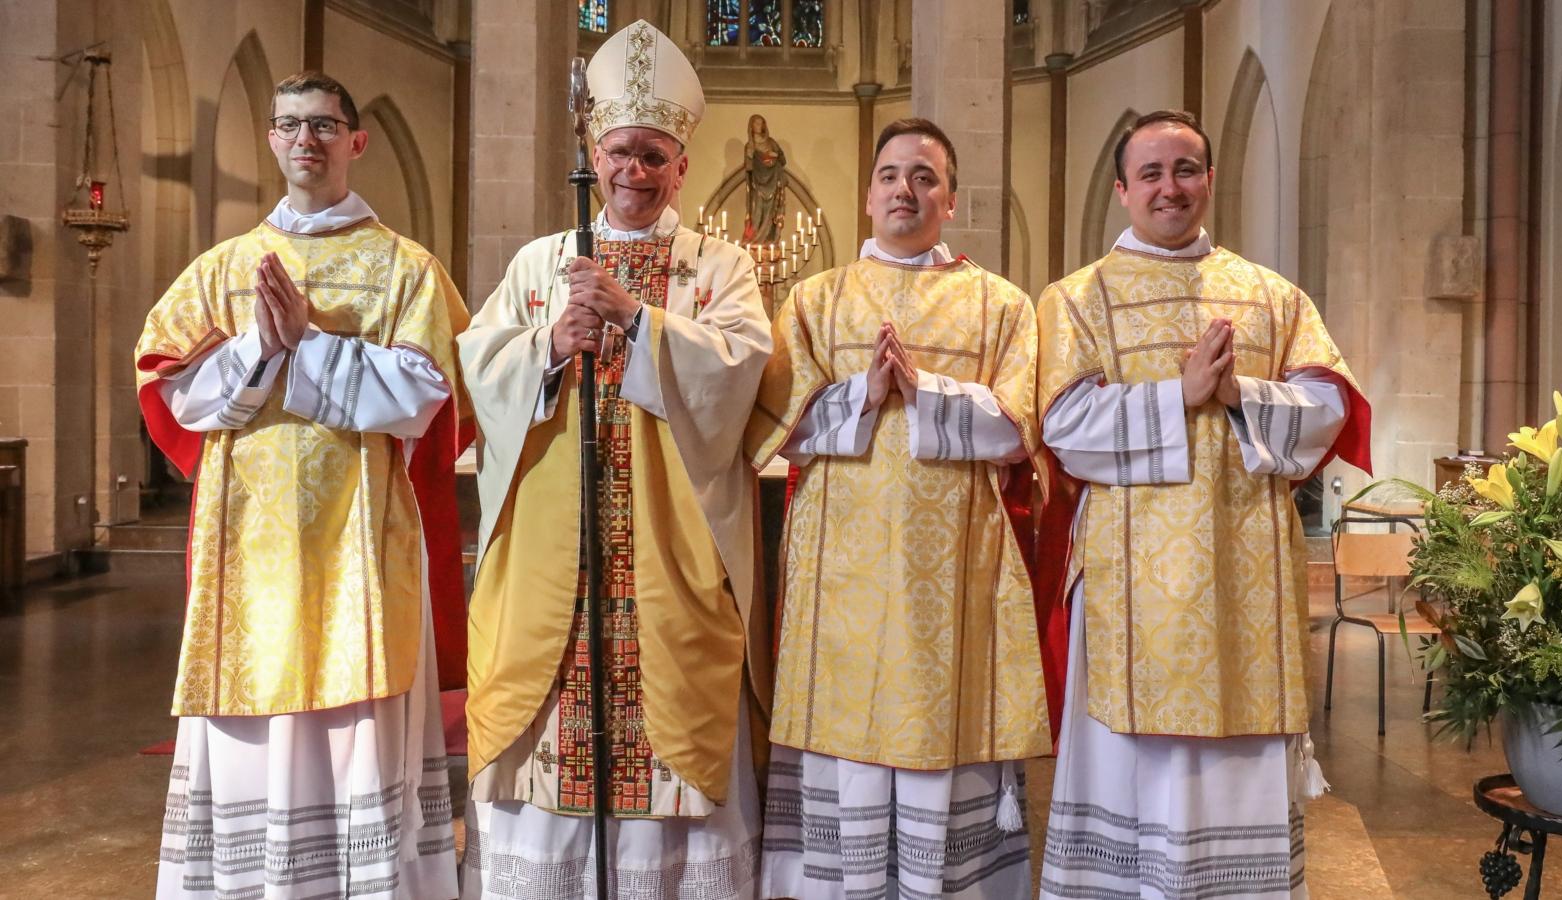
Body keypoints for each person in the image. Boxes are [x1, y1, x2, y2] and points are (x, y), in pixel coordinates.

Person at [456, 20, 773, 900]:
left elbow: (744, 370)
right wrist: (550, 345)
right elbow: (479, 366)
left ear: (683, 165)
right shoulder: (539, 261)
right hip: (555, 550)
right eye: (620, 151)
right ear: (594, 153)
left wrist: (639, 319)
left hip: (671, 552)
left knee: (673, 709)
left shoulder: (722, 266)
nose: (635, 171)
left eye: (654, 155)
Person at [135, 70, 471, 899]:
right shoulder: (221, 269)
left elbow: (431, 397)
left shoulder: (406, 271)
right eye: (288, 125)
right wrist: (261, 348)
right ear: (274, 140)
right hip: (245, 549)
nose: (304, 141)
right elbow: (176, 391)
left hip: (362, 543)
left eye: (323, 125)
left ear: (356, 142)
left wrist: (309, 347)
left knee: (357, 711)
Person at [1036, 109, 1371, 899]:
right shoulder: (1077, 299)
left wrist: (1239, 395)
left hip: (1244, 575)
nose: (1169, 187)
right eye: (1150, 173)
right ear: (1121, 189)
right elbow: (1061, 427)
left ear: (1210, 181)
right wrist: (1178, 398)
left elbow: (1330, 408)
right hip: (1128, 588)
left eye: (1185, 169)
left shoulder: (1271, 295)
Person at [745, 117, 1053, 899]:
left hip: (954, 571)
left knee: (942, 732)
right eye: (890, 176)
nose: (904, 190)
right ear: (869, 194)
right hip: (839, 569)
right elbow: (773, 424)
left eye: (924, 177)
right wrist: (863, 393)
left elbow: (1022, 428)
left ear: (951, 200)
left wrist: (928, 395)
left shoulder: (1001, 305)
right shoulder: (818, 298)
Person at [743, 113, 786, 244]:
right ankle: (754, 239)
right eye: (756, 123)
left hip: (773, 182)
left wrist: (774, 155)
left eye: (761, 123)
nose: (759, 125)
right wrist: (751, 156)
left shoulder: (771, 143)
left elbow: (783, 160)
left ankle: (770, 239)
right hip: (757, 184)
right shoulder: (749, 146)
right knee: (756, 211)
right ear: (751, 126)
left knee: (771, 212)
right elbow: (749, 168)